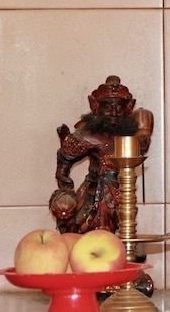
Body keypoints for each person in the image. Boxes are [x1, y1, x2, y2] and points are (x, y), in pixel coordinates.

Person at [49, 76, 153, 234]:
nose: (114, 113)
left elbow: (140, 149)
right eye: (108, 107)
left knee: (124, 229)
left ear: (128, 108)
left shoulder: (129, 135)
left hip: (125, 192)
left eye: (119, 108)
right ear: (95, 106)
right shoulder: (90, 134)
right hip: (97, 194)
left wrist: (143, 135)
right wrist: (65, 188)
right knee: (93, 231)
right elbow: (65, 156)